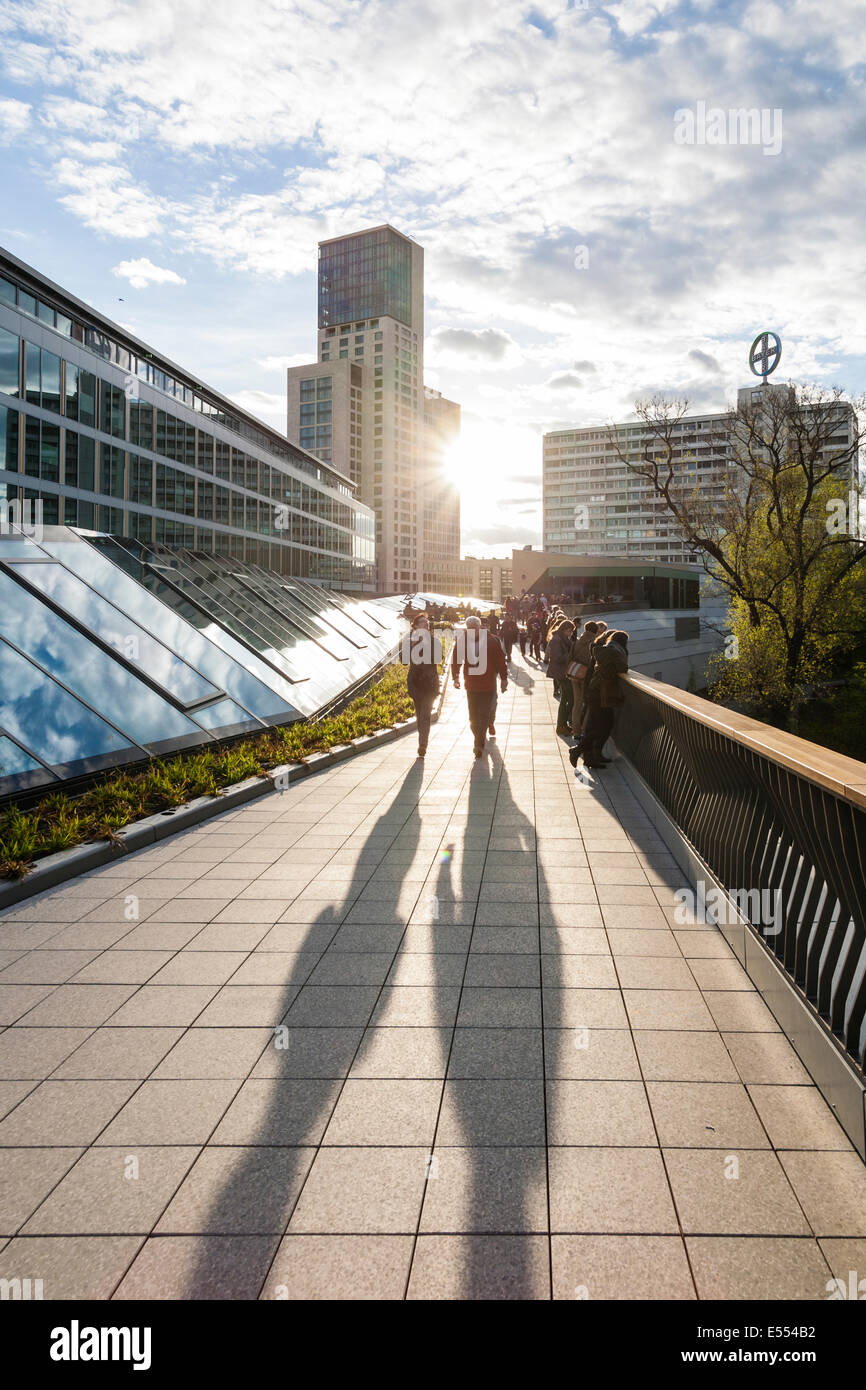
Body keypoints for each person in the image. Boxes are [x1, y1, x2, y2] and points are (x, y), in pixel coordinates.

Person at [451, 615, 508, 758]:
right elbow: (456, 659)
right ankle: (480, 734)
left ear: (480, 627)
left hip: (488, 684)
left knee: (484, 713)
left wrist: (504, 678)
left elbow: (501, 661)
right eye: (469, 628)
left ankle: (478, 744)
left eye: (474, 628)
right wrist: (456, 677)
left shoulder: (492, 640)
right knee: (472, 716)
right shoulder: (462, 641)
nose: (471, 631)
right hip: (471, 685)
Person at [578, 628, 629, 769]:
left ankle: (593, 754)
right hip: (599, 692)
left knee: (601, 723)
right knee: (602, 724)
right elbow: (623, 667)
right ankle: (581, 750)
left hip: (596, 690)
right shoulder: (615, 651)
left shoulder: (607, 649)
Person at [567, 620, 607, 758]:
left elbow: (570, 657)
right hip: (585, 677)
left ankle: (576, 732)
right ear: (595, 631)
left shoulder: (577, 641)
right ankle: (584, 730)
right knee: (588, 705)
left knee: (576, 703)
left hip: (574, 675)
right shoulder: (594, 643)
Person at [406, 612, 440, 757]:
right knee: (420, 716)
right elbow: (403, 661)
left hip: (430, 684)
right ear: (415, 626)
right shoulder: (408, 641)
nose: (427, 625)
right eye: (423, 623)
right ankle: (422, 740)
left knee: (425, 715)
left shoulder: (433, 641)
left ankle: (422, 745)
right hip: (415, 684)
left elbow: (438, 658)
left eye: (427, 624)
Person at [545, 618, 576, 733]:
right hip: (560, 672)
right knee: (569, 699)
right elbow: (557, 657)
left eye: (572, 631)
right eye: (569, 631)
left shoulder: (563, 639)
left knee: (566, 699)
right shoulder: (557, 640)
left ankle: (562, 725)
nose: (571, 633)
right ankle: (561, 725)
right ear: (564, 630)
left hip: (564, 672)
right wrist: (571, 655)